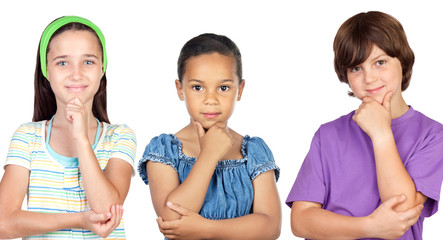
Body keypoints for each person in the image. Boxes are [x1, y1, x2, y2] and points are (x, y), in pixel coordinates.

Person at [286, 11, 443, 239]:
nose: (369, 78)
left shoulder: (432, 135)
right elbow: (301, 221)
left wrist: (381, 134)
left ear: (404, 62)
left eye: (380, 62)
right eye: (356, 68)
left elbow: (402, 209)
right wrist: (369, 226)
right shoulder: (327, 135)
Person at [0, 16, 136, 239]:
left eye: (88, 61)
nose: (76, 73)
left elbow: (106, 210)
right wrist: (79, 219)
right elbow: (3, 223)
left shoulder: (119, 136)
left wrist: (81, 139)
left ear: (102, 69)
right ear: (46, 70)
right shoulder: (28, 137)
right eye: (62, 62)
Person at [138, 33, 281, 240]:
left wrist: (205, 228)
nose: (211, 100)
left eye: (223, 88)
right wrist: (210, 154)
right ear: (180, 89)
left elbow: (270, 226)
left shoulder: (253, 151)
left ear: (239, 90)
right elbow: (172, 219)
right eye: (198, 87)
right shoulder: (164, 150)